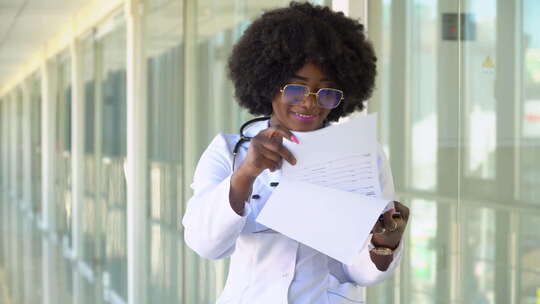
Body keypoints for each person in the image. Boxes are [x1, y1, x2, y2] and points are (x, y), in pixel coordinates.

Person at [182, 2, 410, 303]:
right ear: (269, 85)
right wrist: (245, 175)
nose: (309, 103)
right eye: (295, 89)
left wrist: (385, 242)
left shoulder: (363, 155)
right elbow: (205, 244)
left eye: (326, 92)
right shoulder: (229, 150)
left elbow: (359, 273)